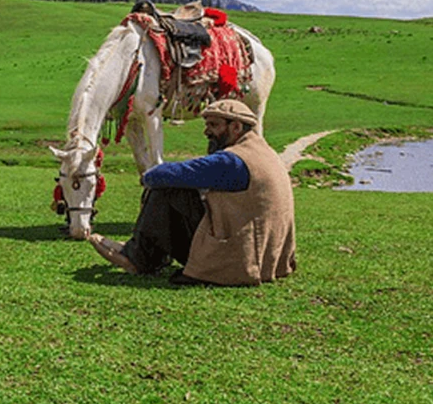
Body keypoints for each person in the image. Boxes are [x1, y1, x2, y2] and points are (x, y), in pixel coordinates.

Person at [88, 99, 296, 286]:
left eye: (214, 125)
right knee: (182, 189)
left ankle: (138, 258)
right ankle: (146, 254)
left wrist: (147, 177)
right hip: (267, 258)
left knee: (166, 189)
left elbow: (163, 174)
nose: (207, 132)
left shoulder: (232, 161)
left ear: (236, 127)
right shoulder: (264, 153)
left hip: (239, 259)